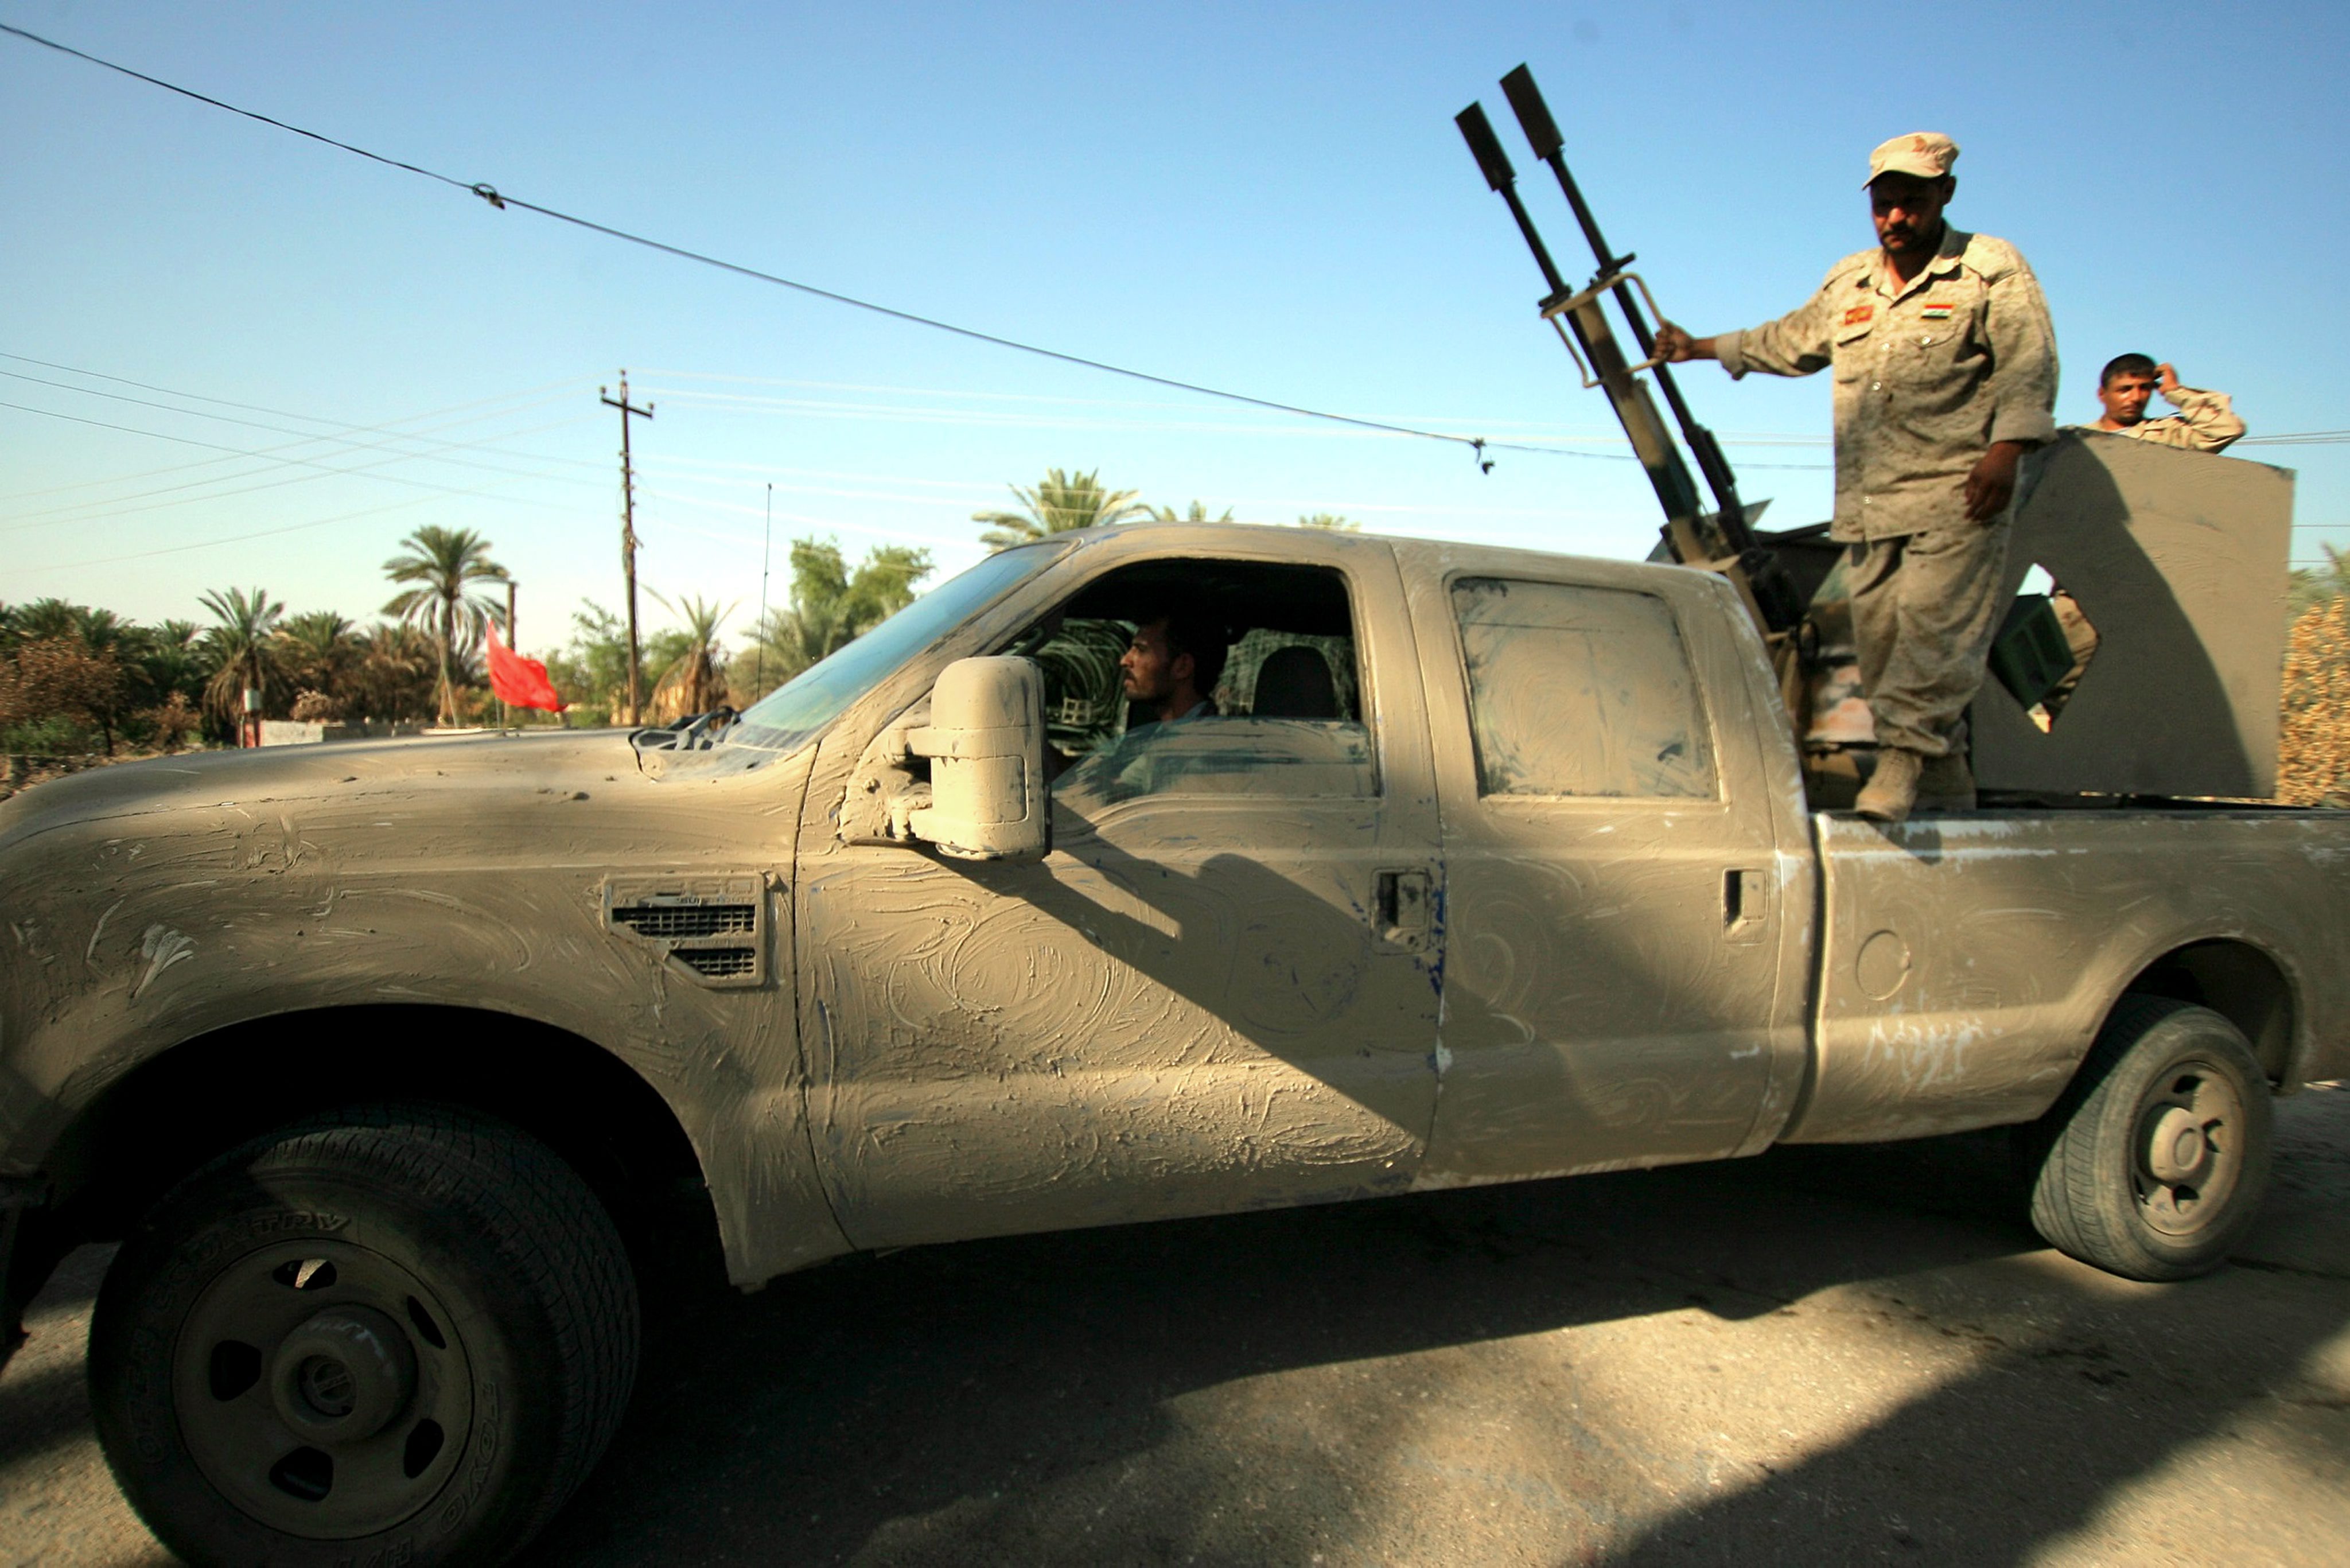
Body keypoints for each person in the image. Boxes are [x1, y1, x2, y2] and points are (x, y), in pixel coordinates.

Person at [1654, 132, 2057, 822]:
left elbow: (2028, 363)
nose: (1896, 218)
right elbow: (1792, 339)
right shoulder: (1852, 281)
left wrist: (2007, 450)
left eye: (1912, 203)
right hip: (1870, 501)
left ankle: (1900, 765)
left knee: (1931, 635)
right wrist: (1700, 348)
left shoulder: (1988, 269)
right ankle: (1944, 783)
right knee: (1879, 644)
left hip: (1958, 491)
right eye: (1884, 205)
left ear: (1944, 197)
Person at [2085, 353, 2245, 453]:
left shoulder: (2169, 435)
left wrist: (2175, 392)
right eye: (2125, 390)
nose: (2136, 397)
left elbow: (2228, 429)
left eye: (2145, 388)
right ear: (2102, 394)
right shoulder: (2078, 439)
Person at [1118, 609, 1227, 727]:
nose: (1125, 661)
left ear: (1182, 667)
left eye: (1141, 650)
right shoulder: (1164, 734)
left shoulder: (1207, 740)